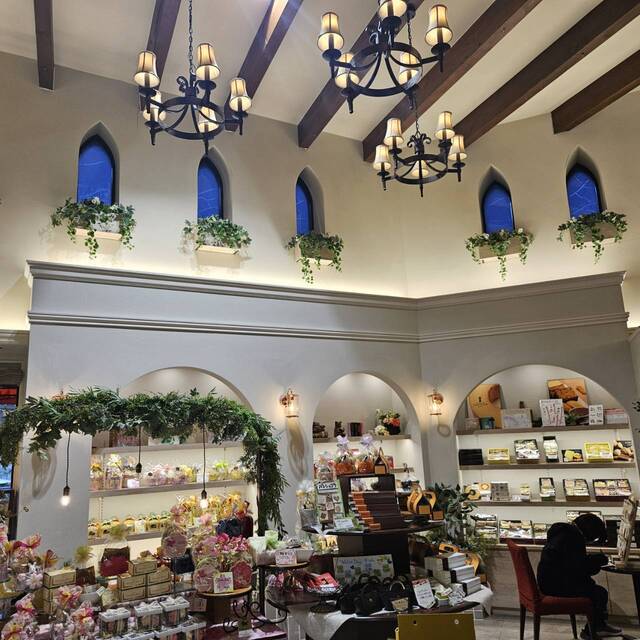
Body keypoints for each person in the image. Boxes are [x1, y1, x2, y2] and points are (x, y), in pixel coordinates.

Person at [537, 513, 621, 638]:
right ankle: (594, 628)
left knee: (595, 590)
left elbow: (572, 564)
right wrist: (598, 561)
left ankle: (597, 626)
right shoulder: (573, 538)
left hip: (548, 582)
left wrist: (590, 562)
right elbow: (578, 568)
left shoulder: (563, 533)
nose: (590, 541)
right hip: (556, 586)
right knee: (599, 593)